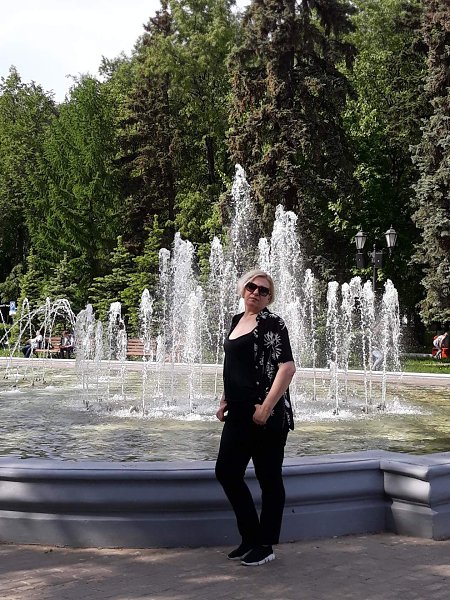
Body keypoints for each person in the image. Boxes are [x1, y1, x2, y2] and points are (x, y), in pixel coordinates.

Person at [215, 269, 296, 567]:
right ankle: (250, 537)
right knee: (226, 472)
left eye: (264, 291)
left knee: (269, 479)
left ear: (269, 298)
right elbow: (234, 364)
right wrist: (225, 399)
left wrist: (266, 408)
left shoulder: (273, 323)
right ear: (243, 289)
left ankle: (265, 544)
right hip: (238, 411)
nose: (256, 293)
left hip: (266, 414)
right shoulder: (236, 320)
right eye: (252, 287)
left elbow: (287, 367)